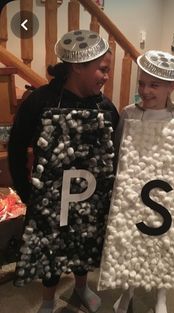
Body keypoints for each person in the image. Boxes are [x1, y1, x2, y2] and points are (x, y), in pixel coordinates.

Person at [8, 29, 119, 313]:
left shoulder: (105, 107)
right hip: (51, 197)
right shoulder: (39, 101)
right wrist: (26, 191)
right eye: (102, 69)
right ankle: (48, 300)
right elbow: (17, 146)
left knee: (85, 240)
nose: (106, 76)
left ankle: (81, 287)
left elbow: (116, 151)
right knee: (51, 249)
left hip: (91, 192)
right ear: (78, 66)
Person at [97, 50, 174, 313]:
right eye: (141, 83)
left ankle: (161, 297)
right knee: (131, 239)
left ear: (171, 87)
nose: (145, 90)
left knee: (164, 240)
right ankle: (128, 291)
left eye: (154, 85)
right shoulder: (129, 113)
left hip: (166, 189)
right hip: (134, 189)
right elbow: (120, 151)